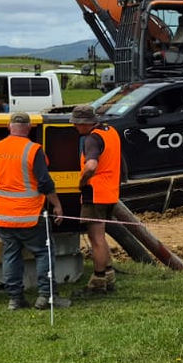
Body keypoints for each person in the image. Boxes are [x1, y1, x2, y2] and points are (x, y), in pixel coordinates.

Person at [0, 112, 71, 311]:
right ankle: (46, 297)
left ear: (8, 126)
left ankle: (15, 299)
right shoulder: (33, 149)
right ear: (30, 128)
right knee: (44, 253)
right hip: (31, 214)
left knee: (10, 256)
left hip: (4, 216)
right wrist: (57, 205)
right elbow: (45, 182)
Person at [71, 104, 121, 294]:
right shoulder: (111, 131)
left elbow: (91, 165)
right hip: (110, 192)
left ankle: (98, 281)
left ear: (85, 123)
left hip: (95, 192)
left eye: (76, 124)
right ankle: (108, 274)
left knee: (96, 238)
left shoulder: (91, 139)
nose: (75, 128)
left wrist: (82, 182)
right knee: (101, 236)